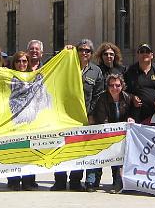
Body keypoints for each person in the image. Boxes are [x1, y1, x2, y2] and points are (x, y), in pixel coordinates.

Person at [54, 39, 103, 191]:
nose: (84, 53)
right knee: (61, 148)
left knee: (79, 150)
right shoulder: (67, 66)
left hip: (83, 117)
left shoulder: (96, 71)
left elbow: (98, 95)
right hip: (64, 116)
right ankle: (60, 181)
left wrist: (91, 114)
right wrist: (63, 52)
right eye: (81, 50)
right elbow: (49, 69)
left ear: (91, 54)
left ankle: (75, 181)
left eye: (87, 51)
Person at [89, 73, 132, 192]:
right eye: (111, 85)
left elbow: (132, 113)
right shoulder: (102, 98)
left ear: (122, 86)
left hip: (121, 135)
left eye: (117, 85)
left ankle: (117, 183)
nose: (114, 88)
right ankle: (92, 182)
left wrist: (131, 118)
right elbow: (103, 118)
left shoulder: (127, 98)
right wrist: (111, 132)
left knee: (118, 159)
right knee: (98, 155)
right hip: (104, 131)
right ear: (107, 86)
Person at [6, 51, 36, 190]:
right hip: (13, 117)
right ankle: (13, 181)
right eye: (18, 61)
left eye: (24, 61)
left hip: (30, 118)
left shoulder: (35, 77)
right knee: (14, 150)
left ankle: (29, 181)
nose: (22, 64)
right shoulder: (7, 76)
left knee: (30, 150)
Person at [123, 44, 155, 122]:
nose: (145, 54)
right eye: (142, 51)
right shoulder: (129, 71)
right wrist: (132, 97)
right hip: (136, 115)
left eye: (147, 51)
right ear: (138, 55)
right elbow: (123, 91)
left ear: (152, 55)